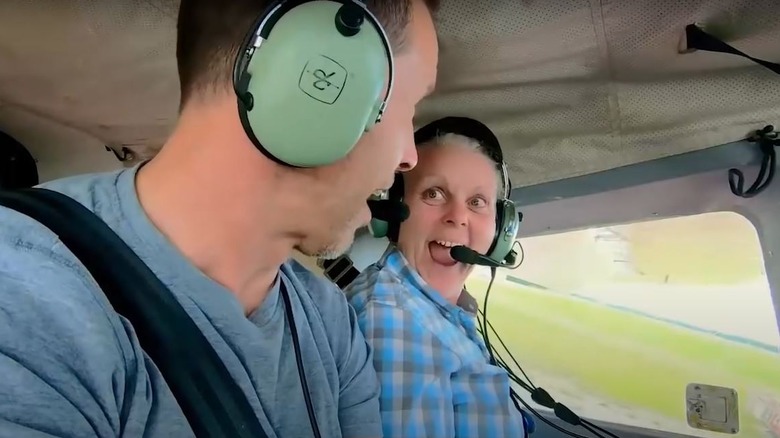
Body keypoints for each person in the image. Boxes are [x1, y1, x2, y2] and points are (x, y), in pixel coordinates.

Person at [0, 0, 439, 436]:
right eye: (412, 106)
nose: (409, 158)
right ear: (318, 78)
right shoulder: (24, 296)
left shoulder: (331, 323)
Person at [345, 117, 530, 437]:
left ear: (499, 228)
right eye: (434, 193)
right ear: (392, 211)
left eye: (477, 202)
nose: (458, 217)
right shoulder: (392, 320)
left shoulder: (431, 309)